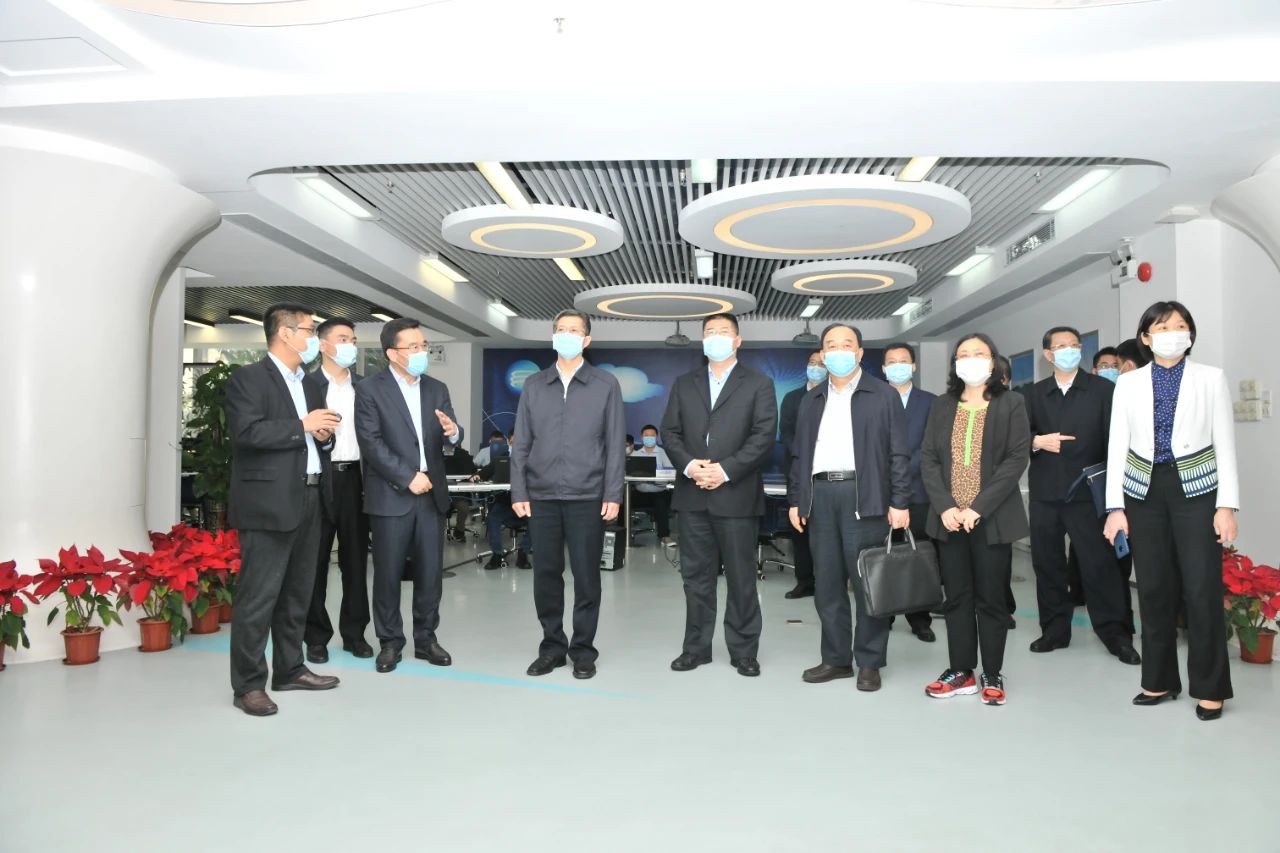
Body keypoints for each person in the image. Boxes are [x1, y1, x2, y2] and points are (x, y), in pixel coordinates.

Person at [1104, 301, 1239, 722]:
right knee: (1153, 589)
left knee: (1201, 589)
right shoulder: (1128, 383)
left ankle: (1210, 688)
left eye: (1180, 326)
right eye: (1161, 328)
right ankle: (1158, 680)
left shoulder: (1211, 378)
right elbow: (1117, 445)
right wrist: (1115, 508)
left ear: (1190, 334)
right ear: (1146, 338)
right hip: (1143, 491)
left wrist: (1226, 505)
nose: (1172, 334)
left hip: (1196, 490)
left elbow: (1224, 444)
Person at [225, 303, 341, 717]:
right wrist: (302, 426)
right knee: (258, 597)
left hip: (310, 497)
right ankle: (248, 685)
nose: (314, 338)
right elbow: (246, 433)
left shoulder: (309, 384)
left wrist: (323, 436)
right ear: (285, 333)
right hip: (268, 504)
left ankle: (290, 669)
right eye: (309, 330)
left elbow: (317, 438)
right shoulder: (248, 378)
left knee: (297, 593)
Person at [788, 323, 911, 693]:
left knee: (868, 583)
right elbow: (799, 455)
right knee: (827, 584)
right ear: (823, 355)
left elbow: (899, 453)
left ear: (859, 353)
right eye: (831, 345)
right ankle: (836, 659)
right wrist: (797, 499)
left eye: (846, 345)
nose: (838, 351)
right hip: (820, 495)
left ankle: (869, 662)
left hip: (866, 495)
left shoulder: (882, 395)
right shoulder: (811, 400)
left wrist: (899, 501)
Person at [661, 313, 778, 678]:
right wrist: (690, 466)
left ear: (738, 340)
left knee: (742, 578)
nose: (716, 337)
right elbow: (670, 432)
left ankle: (744, 651)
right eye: (709, 332)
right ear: (702, 341)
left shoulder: (758, 383)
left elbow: (763, 436)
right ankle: (695, 649)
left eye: (723, 332)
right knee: (695, 578)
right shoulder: (685, 383)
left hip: (737, 494)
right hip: (692, 494)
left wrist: (724, 470)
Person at [511, 309, 625, 680]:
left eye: (574, 330)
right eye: (560, 329)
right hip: (541, 495)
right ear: (553, 336)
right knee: (546, 574)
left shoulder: (605, 384)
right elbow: (521, 442)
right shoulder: (534, 385)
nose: (566, 335)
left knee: (587, 577)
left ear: (586, 339)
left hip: (588, 495)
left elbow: (614, 443)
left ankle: (583, 650)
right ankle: (552, 648)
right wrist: (518, 489)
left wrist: (613, 492)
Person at [922, 333, 1030, 706]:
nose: (970, 359)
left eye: (978, 353)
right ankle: (961, 671)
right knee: (956, 597)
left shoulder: (1012, 403)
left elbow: (1015, 460)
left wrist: (978, 507)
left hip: (991, 518)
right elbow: (929, 459)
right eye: (963, 354)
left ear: (993, 361)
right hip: (950, 519)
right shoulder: (942, 405)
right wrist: (946, 507)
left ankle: (992, 672)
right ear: (955, 364)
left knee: (991, 599)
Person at [354, 318, 462, 674]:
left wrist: (453, 432)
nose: (421, 352)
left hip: (431, 495)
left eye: (423, 346)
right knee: (388, 573)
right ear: (392, 353)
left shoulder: (436, 388)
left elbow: (450, 434)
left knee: (430, 573)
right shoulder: (370, 390)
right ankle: (390, 642)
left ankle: (426, 639)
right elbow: (370, 442)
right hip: (391, 495)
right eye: (412, 347)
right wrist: (406, 477)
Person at [1026, 327, 1139, 664]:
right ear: (1048, 354)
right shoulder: (1034, 394)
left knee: (1099, 565)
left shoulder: (1103, 390)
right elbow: (1016, 438)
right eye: (1061, 346)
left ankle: (1116, 635)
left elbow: (1117, 441)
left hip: (1089, 493)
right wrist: (1036, 441)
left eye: (1074, 345)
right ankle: (1054, 631)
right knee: (1047, 565)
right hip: (1045, 493)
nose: (1069, 351)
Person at [302, 318, 373, 664]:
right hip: (319, 481)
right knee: (314, 562)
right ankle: (316, 636)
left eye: (354, 340)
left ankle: (355, 634)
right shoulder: (307, 385)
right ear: (323, 345)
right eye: (343, 339)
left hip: (357, 480)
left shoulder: (366, 387)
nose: (350, 346)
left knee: (356, 561)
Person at [881, 342, 937, 643]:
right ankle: (883, 614)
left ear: (914, 366)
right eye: (892, 362)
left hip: (919, 492)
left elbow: (933, 447)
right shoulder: (870, 399)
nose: (898, 366)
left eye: (904, 361)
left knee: (919, 558)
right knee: (883, 557)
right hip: (879, 493)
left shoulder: (931, 402)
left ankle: (920, 619)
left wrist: (902, 469)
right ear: (883, 368)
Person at [777, 350, 824, 599]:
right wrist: (803, 454)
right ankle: (805, 581)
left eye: (821, 364)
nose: (816, 367)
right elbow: (785, 432)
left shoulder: (835, 395)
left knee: (828, 531)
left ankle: (828, 582)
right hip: (798, 471)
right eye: (812, 363)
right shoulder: (792, 398)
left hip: (829, 474)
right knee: (800, 529)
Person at [474, 432, 531, 570]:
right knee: (493, 517)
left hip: (526, 503)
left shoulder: (531, 459)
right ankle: (497, 555)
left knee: (538, 518)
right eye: (512, 443)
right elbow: (484, 472)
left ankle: (523, 553)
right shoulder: (501, 459)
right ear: (508, 443)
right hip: (505, 503)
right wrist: (477, 476)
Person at [631, 424, 675, 546]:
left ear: (656, 437)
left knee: (661, 501)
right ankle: (622, 535)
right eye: (646, 435)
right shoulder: (635, 454)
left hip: (659, 491)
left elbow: (671, 473)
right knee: (623, 502)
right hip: (640, 492)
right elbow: (631, 476)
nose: (649, 438)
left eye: (652, 435)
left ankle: (665, 536)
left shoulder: (663, 453)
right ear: (642, 437)